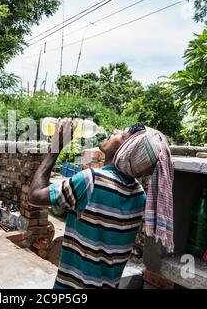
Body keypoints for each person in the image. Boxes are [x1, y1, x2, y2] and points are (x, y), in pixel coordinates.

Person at [29, 119, 174, 289]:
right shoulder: (140, 196)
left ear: (127, 149)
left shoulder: (91, 180)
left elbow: (34, 196)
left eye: (122, 133)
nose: (115, 130)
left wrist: (56, 146)